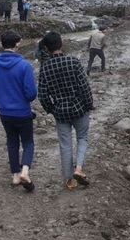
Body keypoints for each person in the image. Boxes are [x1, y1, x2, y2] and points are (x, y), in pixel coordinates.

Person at [38, 31, 94, 190]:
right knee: (82, 138)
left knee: (65, 144)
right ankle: (78, 169)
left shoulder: (45, 68)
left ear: (47, 49)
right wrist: (89, 105)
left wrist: (52, 109)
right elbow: (84, 87)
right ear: (61, 44)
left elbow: (42, 94)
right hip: (78, 108)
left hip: (60, 111)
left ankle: (69, 180)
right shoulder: (73, 62)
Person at [0, 30, 38, 191]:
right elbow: (31, 94)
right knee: (28, 142)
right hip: (22, 111)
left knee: (12, 142)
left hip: (4, 111)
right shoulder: (24, 65)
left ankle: (15, 175)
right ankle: (25, 171)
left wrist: (3, 99)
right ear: (17, 44)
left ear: (2, 44)